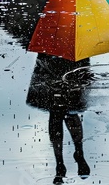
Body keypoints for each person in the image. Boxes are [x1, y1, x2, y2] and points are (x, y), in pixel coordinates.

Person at [26, 53, 92, 184]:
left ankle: (64, 160)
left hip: (59, 56)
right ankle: (72, 155)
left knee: (63, 110)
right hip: (64, 55)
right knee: (64, 109)